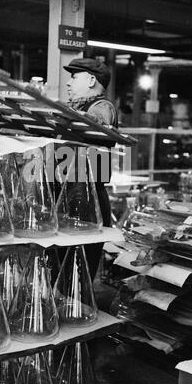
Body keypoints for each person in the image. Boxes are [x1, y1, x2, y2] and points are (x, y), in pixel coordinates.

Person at [58, 58, 118, 280]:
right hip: (70, 196)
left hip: (88, 201)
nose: (68, 83)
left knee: (78, 268)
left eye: (74, 77)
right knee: (61, 264)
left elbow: (98, 122)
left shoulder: (102, 107)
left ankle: (77, 311)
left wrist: (63, 113)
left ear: (92, 80)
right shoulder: (77, 108)